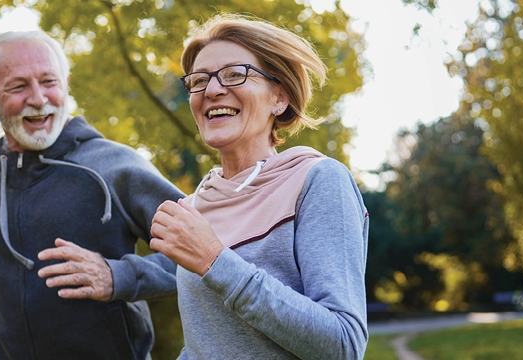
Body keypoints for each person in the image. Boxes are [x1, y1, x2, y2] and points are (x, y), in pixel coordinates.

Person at [149, 14, 369, 359]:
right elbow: (205, 344)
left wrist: (215, 260)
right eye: (198, 80)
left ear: (278, 98)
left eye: (235, 74)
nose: (212, 90)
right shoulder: (193, 207)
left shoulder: (316, 180)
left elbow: (343, 344)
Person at [0, 30, 183, 360]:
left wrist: (118, 276)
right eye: (19, 86)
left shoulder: (115, 166)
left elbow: (204, 252)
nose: (38, 98)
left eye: (48, 81)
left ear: (66, 83)